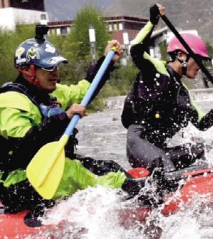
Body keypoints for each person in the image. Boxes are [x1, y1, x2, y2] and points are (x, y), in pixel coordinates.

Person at [0, 29, 140, 222]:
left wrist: (106, 61)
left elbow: (85, 90)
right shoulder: (9, 102)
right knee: (76, 171)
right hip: (20, 182)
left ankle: (133, 194)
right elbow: (24, 145)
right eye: (48, 68)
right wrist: (63, 118)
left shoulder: (51, 93)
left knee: (109, 167)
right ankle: (136, 196)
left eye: (56, 67)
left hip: (52, 169)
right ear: (28, 70)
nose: (55, 74)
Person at [122, 4, 213, 172]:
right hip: (139, 144)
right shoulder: (157, 70)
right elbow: (135, 49)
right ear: (181, 55)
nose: (200, 66)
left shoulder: (183, 92)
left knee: (208, 147)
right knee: (164, 165)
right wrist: (152, 21)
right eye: (198, 59)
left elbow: (202, 123)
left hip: (161, 151)